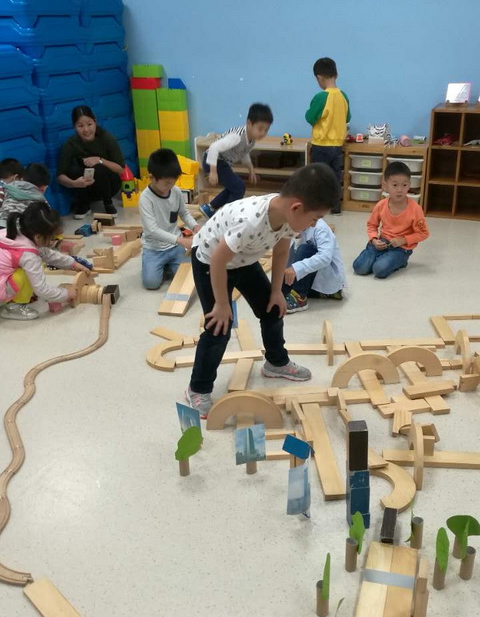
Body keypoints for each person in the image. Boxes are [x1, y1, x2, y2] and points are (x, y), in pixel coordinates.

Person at [186, 163, 339, 418]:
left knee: (272, 309)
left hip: (244, 260)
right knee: (219, 327)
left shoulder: (288, 217)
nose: (313, 225)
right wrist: (222, 304)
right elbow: (218, 261)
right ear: (296, 207)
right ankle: (197, 388)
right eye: (315, 219)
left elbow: (281, 251)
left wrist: (276, 291)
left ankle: (276, 363)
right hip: (210, 261)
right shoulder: (250, 222)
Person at [0, 201, 87, 321]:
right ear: (38, 237)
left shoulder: (13, 234)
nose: (52, 241)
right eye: (51, 238)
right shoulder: (28, 255)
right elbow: (41, 290)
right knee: (26, 272)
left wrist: (72, 263)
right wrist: (66, 294)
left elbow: (46, 253)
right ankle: (14, 307)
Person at [352, 161, 429, 279]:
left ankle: (400, 260)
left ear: (409, 185)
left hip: (401, 248)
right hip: (382, 242)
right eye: (395, 185)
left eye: (404, 185)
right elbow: (372, 225)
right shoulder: (381, 205)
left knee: (379, 270)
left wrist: (403, 240)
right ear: (385, 185)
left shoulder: (415, 209)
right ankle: (380, 257)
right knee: (359, 268)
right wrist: (374, 239)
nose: (400, 190)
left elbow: (423, 233)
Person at [199, 103, 273, 219]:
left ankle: (210, 208)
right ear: (249, 123)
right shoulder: (237, 137)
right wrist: (213, 171)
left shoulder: (251, 140)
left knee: (235, 187)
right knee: (239, 187)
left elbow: (244, 154)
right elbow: (214, 147)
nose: (263, 133)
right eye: (260, 129)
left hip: (222, 163)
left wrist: (251, 170)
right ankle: (227, 215)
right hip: (213, 160)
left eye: (266, 130)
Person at [140, 148, 199, 290]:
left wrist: (195, 226)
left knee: (188, 276)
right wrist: (181, 240)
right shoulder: (145, 198)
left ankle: (167, 267)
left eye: (173, 182)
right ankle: (160, 266)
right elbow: (153, 230)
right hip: (154, 249)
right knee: (151, 283)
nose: (170, 186)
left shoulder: (176, 191)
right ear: (152, 178)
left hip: (175, 248)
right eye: (166, 183)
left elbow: (184, 213)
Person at [57, 105, 125, 218]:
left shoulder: (106, 138)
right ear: (74, 126)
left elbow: (121, 169)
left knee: (98, 167)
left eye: (89, 124)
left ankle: (108, 203)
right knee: (74, 167)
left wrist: (100, 160)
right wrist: (74, 183)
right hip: (85, 187)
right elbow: (60, 176)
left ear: (95, 122)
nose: (86, 130)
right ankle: (84, 204)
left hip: (110, 184)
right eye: (80, 126)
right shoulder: (70, 144)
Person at [305, 58, 350, 216]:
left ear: (319, 77)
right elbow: (348, 117)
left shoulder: (321, 97)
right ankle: (335, 207)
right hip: (337, 145)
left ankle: (318, 207)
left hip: (321, 145)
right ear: (336, 74)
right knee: (334, 177)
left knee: (318, 177)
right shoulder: (343, 96)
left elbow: (310, 117)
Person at [282, 219, 346, 313]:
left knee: (305, 249)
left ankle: (299, 297)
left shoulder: (320, 228)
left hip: (325, 278)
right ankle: (295, 292)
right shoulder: (292, 226)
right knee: (278, 290)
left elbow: (325, 257)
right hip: (304, 279)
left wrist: (296, 268)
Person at [0, 163, 51, 230]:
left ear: (22, 178)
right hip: (21, 231)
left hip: (0, 228)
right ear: (43, 188)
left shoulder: (8, 187)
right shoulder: (42, 201)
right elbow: (48, 220)